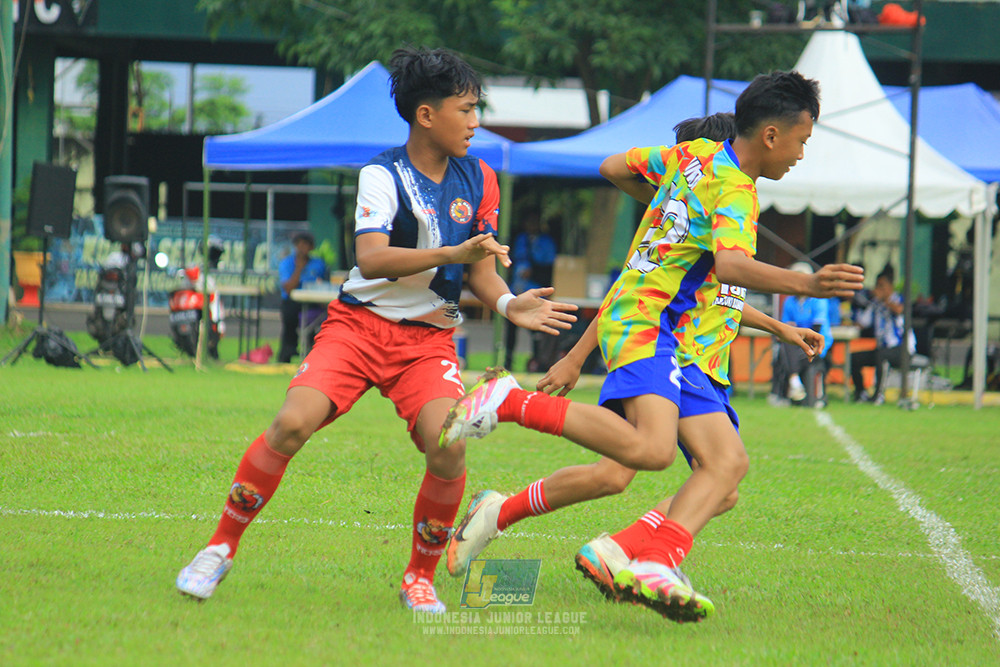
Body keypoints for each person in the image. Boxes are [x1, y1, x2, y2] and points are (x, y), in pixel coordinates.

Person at [439, 76, 863, 623]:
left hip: (657, 329)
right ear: (771, 135)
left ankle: (594, 542)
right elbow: (729, 270)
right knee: (661, 456)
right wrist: (807, 283)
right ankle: (514, 406)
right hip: (663, 335)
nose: (803, 154)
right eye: (803, 141)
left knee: (714, 470)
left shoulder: (693, 157)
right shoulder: (735, 192)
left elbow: (615, 168)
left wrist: (670, 212)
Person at [174, 46, 578, 614]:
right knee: (291, 423)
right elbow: (372, 258)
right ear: (426, 115)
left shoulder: (481, 178)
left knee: (449, 447)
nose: (476, 121)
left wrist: (511, 305)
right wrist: (453, 252)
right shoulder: (381, 174)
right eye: (466, 109)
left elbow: (481, 271)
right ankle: (218, 548)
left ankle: (419, 578)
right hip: (357, 329)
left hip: (428, 342)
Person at [767, 261, 831, 407]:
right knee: (784, 346)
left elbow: (816, 329)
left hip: (817, 344)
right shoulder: (789, 301)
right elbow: (785, 328)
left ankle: (785, 389)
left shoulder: (819, 299)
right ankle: (794, 381)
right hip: (796, 344)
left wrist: (796, 332)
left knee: (785, 352)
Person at [850, 266, 914, 404]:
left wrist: (885, 301)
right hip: (882, 349)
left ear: (890, 287)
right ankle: (861, 393)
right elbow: (863, 322)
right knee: (854, 358)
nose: (878, 289)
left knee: (882, 355)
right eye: (877, 286)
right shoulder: (875, 304)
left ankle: (878, 395)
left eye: (882, 286)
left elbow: (899, 311)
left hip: (902, 349)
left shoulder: (899, 299)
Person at [503, 214, 557, 370]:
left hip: (535, 289)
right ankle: (508, 360)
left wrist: (534, 272)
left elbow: (550, 266)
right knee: (511, 328)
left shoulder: (546, 241)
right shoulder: (521, 239)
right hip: (516, 289)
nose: (531, 225)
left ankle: (537, 360)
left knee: (536, 329)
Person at [277, 231, 329, 363]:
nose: (302, 248)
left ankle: (314, 351)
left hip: (314, 302)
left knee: (323, 318)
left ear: (311, 247)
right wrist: (299, 268)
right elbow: (288, 289)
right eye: (299, 245)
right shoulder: (287, 263)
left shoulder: (318, 264)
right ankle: (287, 352)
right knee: (289, 316)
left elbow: (324, 284)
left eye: (306, 245)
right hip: (292, 302)